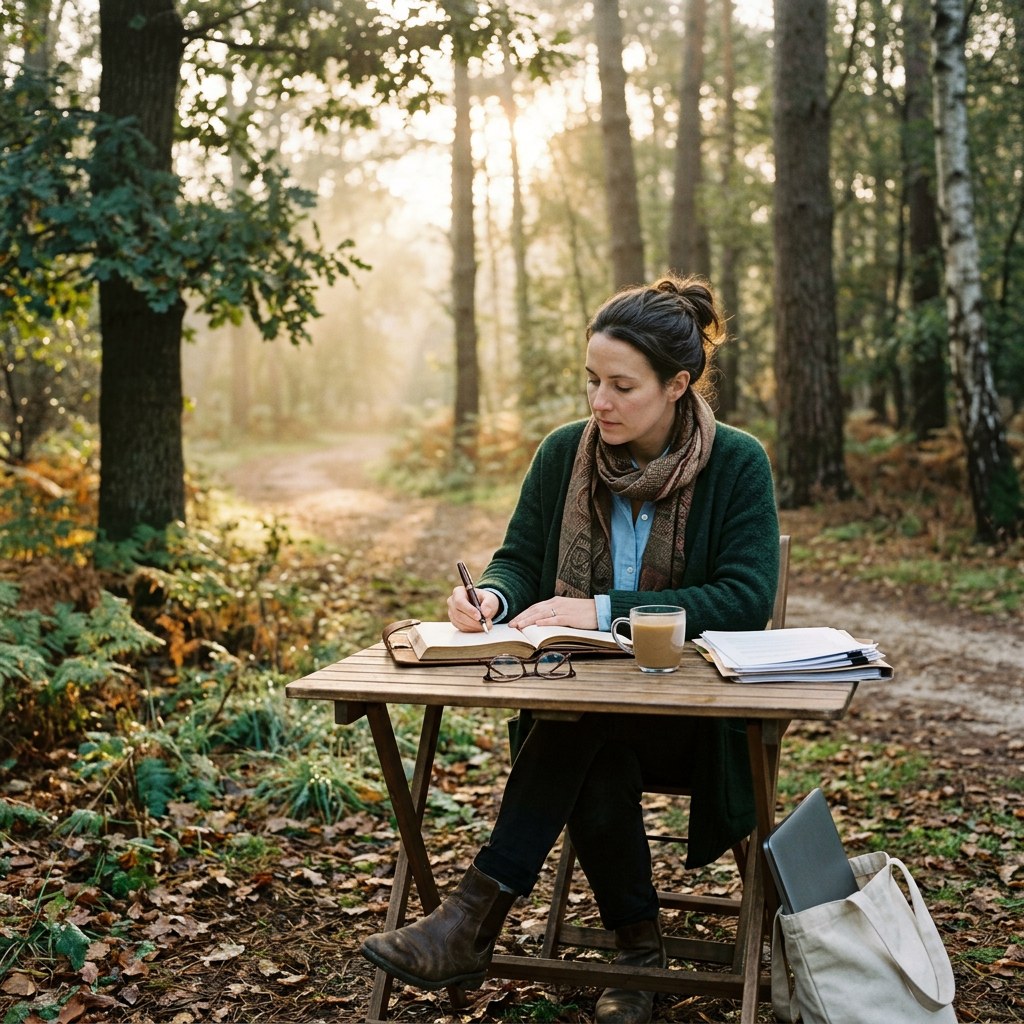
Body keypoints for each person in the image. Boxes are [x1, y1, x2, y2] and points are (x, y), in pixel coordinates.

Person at [361, 277, 780, 1024]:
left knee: (576, 725)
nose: (600, 402)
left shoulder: (738, 463)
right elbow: (520, 558)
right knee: (586, 729)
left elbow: (743, 599)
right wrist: (490, 597)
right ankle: (637, 957)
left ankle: (474, 920)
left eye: (622, 386)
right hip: (583, 712)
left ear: (677, 385)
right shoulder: (565, 455)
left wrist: (604, 611)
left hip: (694, 726)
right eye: (593, 381)